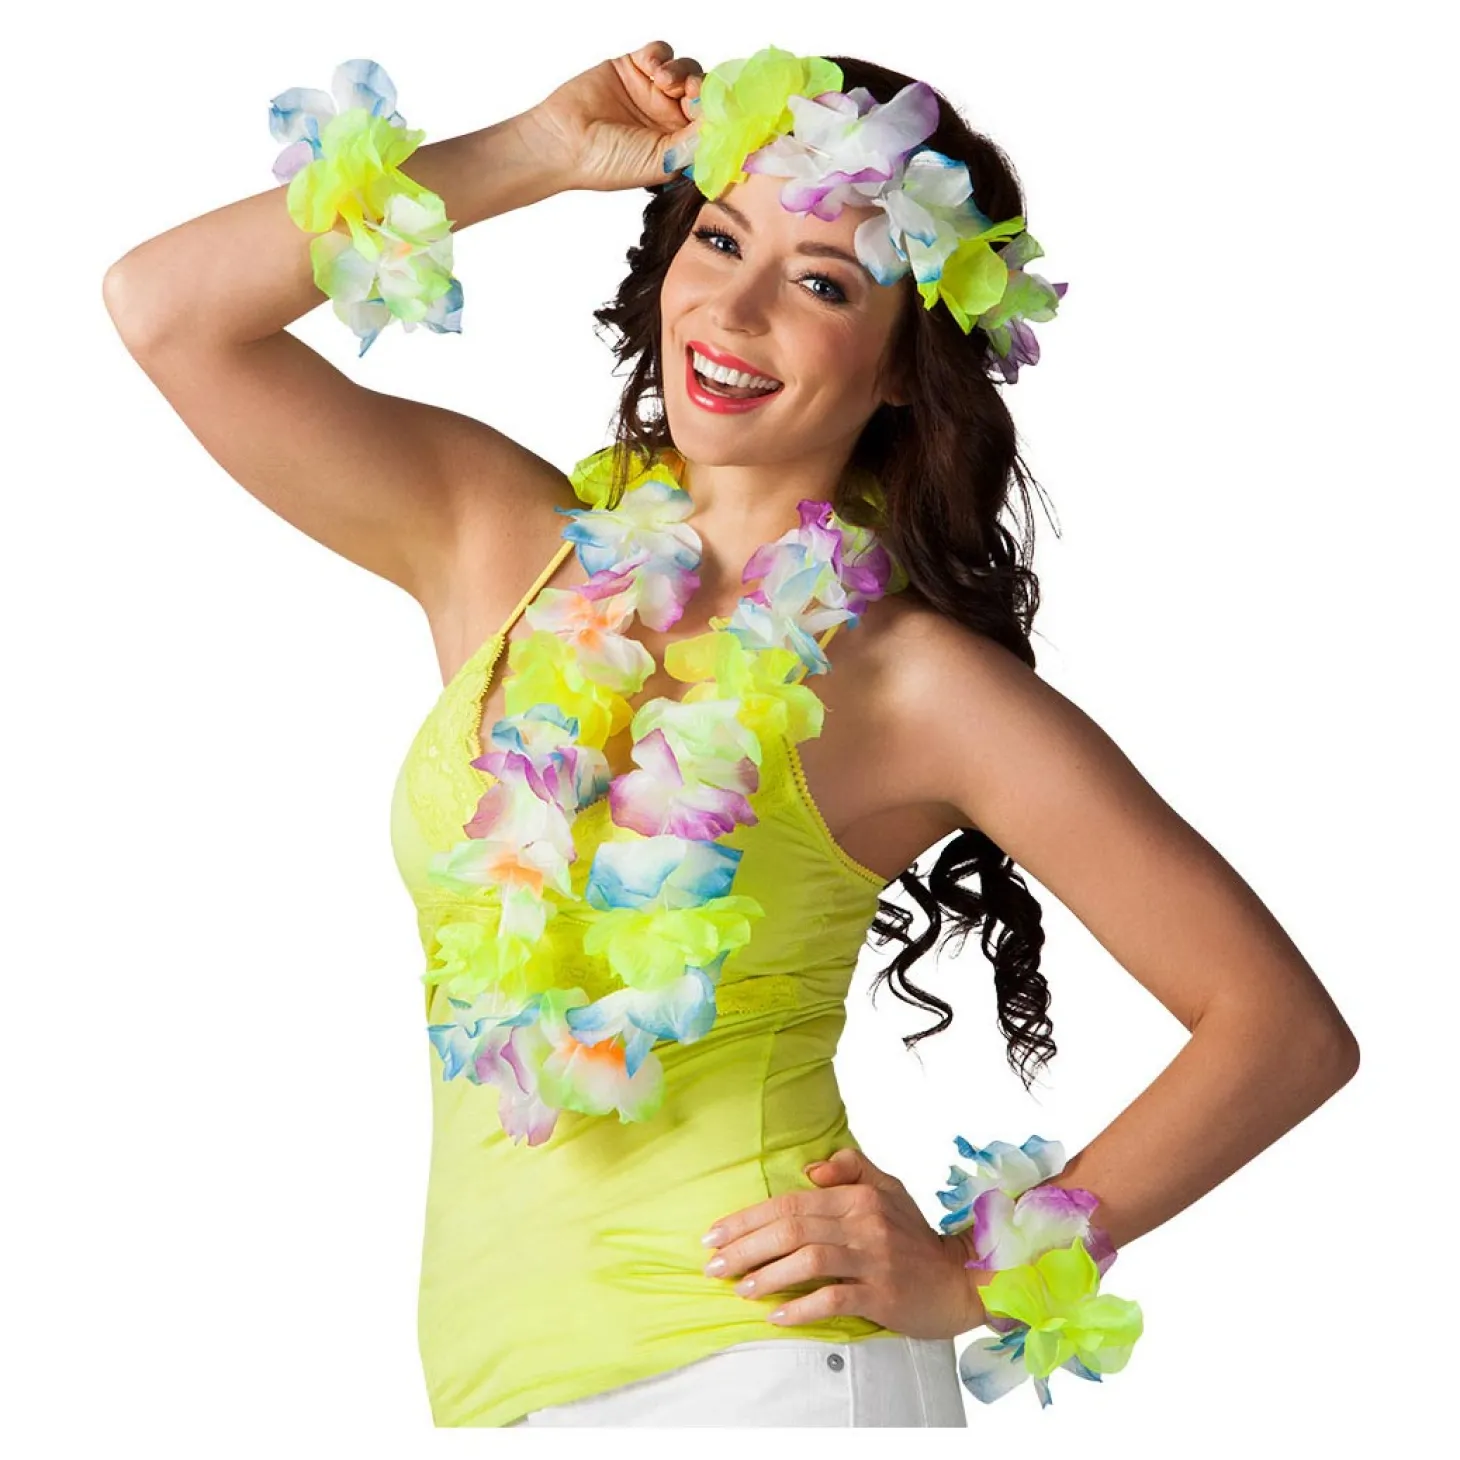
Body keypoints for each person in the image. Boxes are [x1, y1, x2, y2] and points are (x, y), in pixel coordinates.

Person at [102, 39, 1361, 1429]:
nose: (735, 308)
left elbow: (1279, 1029)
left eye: (822, 282)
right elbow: (165, 310)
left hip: (768, 1375)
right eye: (719, 239)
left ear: (902, 365)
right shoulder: (500, 548)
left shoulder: (912, 685)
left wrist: (974, 1276)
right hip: (509, 1393)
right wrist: (537, 151)